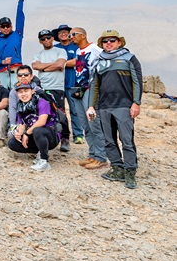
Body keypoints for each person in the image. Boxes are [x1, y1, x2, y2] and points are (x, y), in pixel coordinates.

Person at [87, 30, 143, 189]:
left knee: (126, 140)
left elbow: (137, 81)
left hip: (124, 106)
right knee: (108, 140)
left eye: (112, 40)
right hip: (104, 107)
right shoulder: (99, 61)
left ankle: (130, 172)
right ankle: (117, 168)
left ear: (119, 42)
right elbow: (94, 85)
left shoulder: (129, 58)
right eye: (105, 41)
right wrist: (91, 105)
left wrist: (136, 103)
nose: (109, 43)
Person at [70, 28, 107, 170]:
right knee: (85, 124)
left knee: (94, 123)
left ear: (83, 35)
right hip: (79, 90)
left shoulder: (96, 49)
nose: (71, 37)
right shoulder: (79, 52)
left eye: (74, 34)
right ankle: (93, 154)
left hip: (91, 90)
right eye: (70, 35)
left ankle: (101, 157)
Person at [32, 29, 70, 151]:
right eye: (43, 39)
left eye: (48, 37)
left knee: (60, 112)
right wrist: (51, 65)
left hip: (57, 87)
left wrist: (44, 67)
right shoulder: (38, 54)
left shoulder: (60, 51)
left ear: (52, 38)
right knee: (44, 113)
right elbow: (35, 66)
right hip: (43, 88)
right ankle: (49, 136)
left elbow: (60, 65)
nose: (46, 40)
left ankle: (65, 138)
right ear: (39, 41)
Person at [8, 81, 60, 172]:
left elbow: (42, 122)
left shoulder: (42, 102)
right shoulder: (20, 107)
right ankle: (40, 151)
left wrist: (27, 133)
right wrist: (19, 133)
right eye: (20, 92)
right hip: (37, 136)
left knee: (37, 130)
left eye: (26, 91)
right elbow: (22, 125)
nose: (23, 94)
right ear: (17, 94)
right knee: (12, 143)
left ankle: (44, 161)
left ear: (32, 91)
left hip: (51, 136)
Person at [0, 0, 27, 89]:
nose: (6, 28)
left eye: (8, 26)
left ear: (11, 26)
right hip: (3, 73)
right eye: (3, 26)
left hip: (16, 71)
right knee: (5, 97)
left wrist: (21, 0)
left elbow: (20, 18)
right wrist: (2, 62)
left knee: (18, 94)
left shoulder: (17, 35)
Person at [55, 24, 83, 145]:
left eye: (66, 32)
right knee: (58, 112)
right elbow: (51, 62)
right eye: (60, 32)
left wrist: (61, 63)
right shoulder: (55, 48)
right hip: (58, 85)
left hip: (73, 84)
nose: (63, 34)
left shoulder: (76, 47)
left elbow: (78, 62)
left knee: (75, 111)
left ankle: (78, 135)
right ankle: (60, 134)